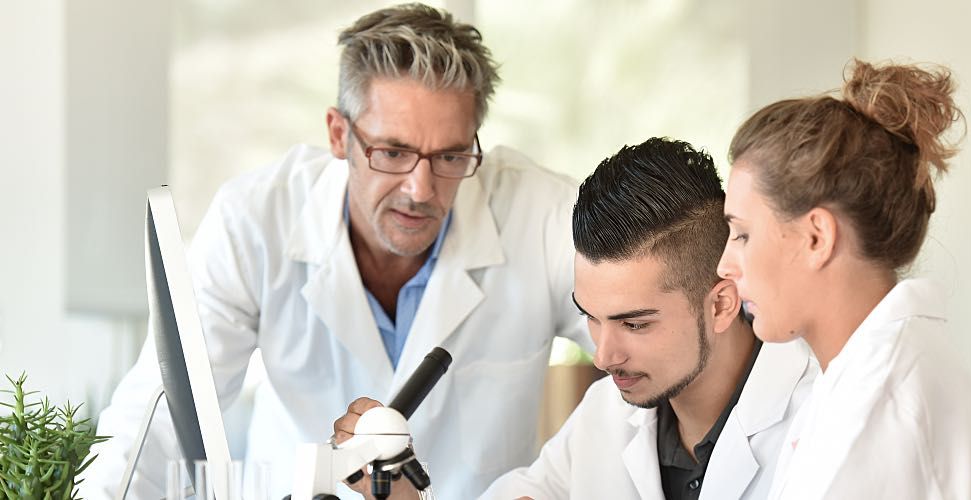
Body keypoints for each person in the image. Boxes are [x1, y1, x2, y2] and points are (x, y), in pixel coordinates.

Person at [80, 4, 590, 499]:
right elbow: (158, 415)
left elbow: (646, 366)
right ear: (339, 133)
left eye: (450, 156)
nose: (420, 188)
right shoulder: (256, 219)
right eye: (392, 152)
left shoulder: (542, 214)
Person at [336, 138, 815, 499]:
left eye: (635, 324)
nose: (604, 355)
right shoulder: (606, 415)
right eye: (591, 317)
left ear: (721, 304)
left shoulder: (818, 413)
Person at [716, 60, 971, 499]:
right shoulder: (863, 376)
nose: (725, 266)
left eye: (743, 234)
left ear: (816, 237)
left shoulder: (879, 406)